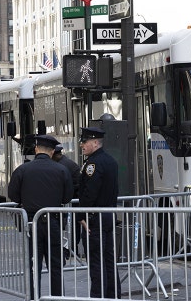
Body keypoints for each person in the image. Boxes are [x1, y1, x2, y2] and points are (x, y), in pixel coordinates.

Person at [8, 135, 73, 299]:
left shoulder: (22, 169)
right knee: (56, 266)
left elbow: (13, 196)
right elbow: (67, 198)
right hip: (54, 222)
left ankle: (33, 297)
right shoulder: (61, 170)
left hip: (31, 223)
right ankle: (57, 297)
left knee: (32, 265)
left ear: (36, 149)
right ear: (52, 152)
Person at [78, 127, 121, 299]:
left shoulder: (92, 164)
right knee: (109, 260)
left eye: (85, 142)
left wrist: (81, 216)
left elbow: (89, 194)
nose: (82, 145)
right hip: (108, 215)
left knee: (97, 262)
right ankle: (113, 295)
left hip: (94, 218)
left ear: (95, 143)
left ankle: (98, 296)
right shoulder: (110, 161)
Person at [52, 144, 82, 258]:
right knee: (73, 225)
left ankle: (71, 249)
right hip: (74, 199)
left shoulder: (62, 165)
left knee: (72, 225)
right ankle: (71, 248)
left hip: (74, 200)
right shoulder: (64, 163)